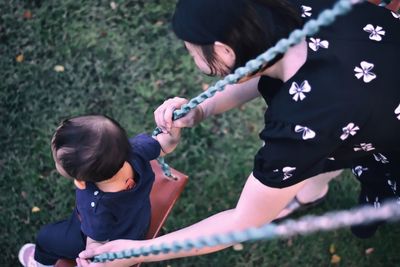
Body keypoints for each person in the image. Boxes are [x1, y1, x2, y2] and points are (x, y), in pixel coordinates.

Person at [78, 0, 400, 266]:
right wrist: (203, 109)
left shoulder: (302, 127)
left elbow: (242, 221)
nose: (192, 57)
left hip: (382, 138)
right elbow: (265, 71)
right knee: (336, 147)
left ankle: (306, 193)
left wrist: (135, 252)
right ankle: (310, 192)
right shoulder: (298, 11)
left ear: (225, 51)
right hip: (371, 111)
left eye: (192, 50)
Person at [18, 115, 181, 267]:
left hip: (108, 240)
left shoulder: (97, 206)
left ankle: (41, 262)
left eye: (58, 163)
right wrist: (173, 131)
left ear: (80, 182)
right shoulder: (134, 151)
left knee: (46, 238)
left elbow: (96, 242)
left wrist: (93, 259)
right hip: (137, 224)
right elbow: (164, 144)